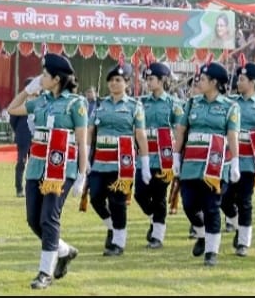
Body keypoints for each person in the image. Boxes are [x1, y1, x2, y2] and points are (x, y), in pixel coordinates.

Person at [6, 53, 89, 290]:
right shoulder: (40, 100)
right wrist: (28, 90)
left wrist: (82, 176)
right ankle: (64, 251)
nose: (41, 78)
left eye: (44, 75)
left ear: (56, 79)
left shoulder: (76, 103)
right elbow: (12, 109)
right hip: (36, 167)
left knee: (49, 218)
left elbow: (82, 142)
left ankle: (45, 273)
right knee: (34, 220)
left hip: (62, 170)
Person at [174, 61, 240, 267]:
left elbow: (232, 135)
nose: (198, 82)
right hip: (192, 162)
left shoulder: (230, 106)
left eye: (203, 79)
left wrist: (236, 161)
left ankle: (212, 251)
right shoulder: (192, 103)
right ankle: (202, 235)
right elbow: (181, 130)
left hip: (215, 165)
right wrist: (176, 156)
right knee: (189, 205)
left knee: (212, 207)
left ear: (214, 82)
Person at [88, 61, 149, 257]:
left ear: (127, 83)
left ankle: (118, 243)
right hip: (100, 161)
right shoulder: (100, 105)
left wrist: (145, 164)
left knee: (117, 202)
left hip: (122, 163)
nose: (114, 84)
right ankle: (112, 227)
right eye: (111, 80)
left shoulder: (135, 106)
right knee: (96, 197)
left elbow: (140, 135)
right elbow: (90, 132)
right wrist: (85, 157)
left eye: (118, 80)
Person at [221, 58, 255, 257]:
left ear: (252, 83)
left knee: (245, 201)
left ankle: (243, 241)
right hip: (228, 157)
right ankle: (233, 220)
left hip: (249, 159)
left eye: (242, 79)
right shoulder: (230, 102)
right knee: (223, 198)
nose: (238, 82)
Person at [134, 60, 183, 250]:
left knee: (159, 194)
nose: (148, 81)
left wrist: (177, 156)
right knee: (140, 193)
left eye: (151, 78)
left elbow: (179, 130)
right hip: (145, 154)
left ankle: (158, 236)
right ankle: (155, 219)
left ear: (162, 80)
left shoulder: (173, 104)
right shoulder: (141, 103)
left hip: (164, 155)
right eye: (146, 78)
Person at [10, 77, 34, 198]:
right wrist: (19, 132)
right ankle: (19, 189)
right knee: (21, 162)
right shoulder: (20, 101)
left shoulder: (40, 100)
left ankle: (33, 188)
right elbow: (13, 118)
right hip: (23, 137)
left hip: (37, 138)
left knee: (35, 163)